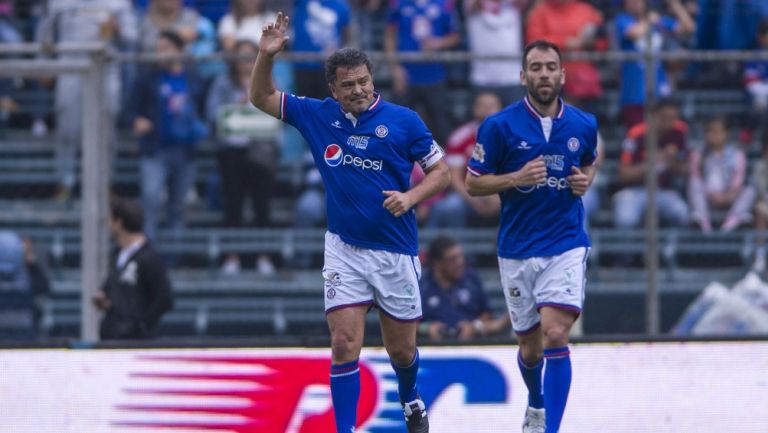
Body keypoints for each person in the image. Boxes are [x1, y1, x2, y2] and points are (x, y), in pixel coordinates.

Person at [249, 13, 450, 433]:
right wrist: (265, 57)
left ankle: (410, 397)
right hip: (344, 248)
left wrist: (411, 196)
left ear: (372, 79)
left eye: (363, 80)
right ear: (333, 89)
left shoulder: (404, 121)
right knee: (343, 344)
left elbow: (443, 173)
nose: (358, 89)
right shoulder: (317, 115)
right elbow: (261, 97)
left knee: (402, 351)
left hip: (395, 251)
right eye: (348, 84)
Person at [466, 40, 599, 433]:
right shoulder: (498, 126)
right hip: (517, 248)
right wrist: (515, 178)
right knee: (530, 347)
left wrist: (584, 180)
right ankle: (536, 403)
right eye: (536, 67)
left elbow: (589, 160)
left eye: (550, 67)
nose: (544, 74)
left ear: (562, 74)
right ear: (523, 76)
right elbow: (473, 185)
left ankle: (550, 428)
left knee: (555, 333)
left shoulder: (583, 124)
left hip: (565, 241)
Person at [36, 0, 138, 201]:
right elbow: (45, 34)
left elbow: (132, 36)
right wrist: (44, 64)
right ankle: (64, 182)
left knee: (106, 132)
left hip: (106, 69)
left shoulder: (119, 3)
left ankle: (104, 184)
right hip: (70, 67)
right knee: (68, 130)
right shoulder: (59, 3)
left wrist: (117, 29)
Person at [206, 39, 279, 276]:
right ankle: (232, 256)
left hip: (261, 152)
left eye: (250, 58)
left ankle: (263, 256)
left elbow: (279, 115)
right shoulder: (222, 84)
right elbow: (213, 114)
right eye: (241, 57)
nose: (245, 63)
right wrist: (237, 106)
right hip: (231, 152)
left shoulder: (270, 83)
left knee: (262, 207)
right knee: (233, 206)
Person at [131, 30, 208, 242]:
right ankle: (148, 251)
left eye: (166, 48)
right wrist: (137, 120)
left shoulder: (194, 79)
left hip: (186, 151)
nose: (160, 53)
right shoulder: (146, 79)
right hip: (155, 149)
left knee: (178, 206)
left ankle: (175, 255)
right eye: (158, 49)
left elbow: (203, 109)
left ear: (179, 50)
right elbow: (130, 110)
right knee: (151, 199)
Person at [93, 198, 174, 339]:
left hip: (134, 342)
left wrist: (141, 325)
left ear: (119, 223)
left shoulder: (149, 258)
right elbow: (114, 289)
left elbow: (165, 298)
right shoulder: (117, 254)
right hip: (111, 338)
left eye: (111, 220)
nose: (108, 225)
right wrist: (104, 298)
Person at [419, 91, 501, 228]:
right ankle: (456, 247)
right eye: (482, 105)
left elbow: (514, 172)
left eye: (492, 105)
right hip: (469, 192)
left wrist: (499, 195)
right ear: (474, 108)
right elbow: (454, 177)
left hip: (501, 191)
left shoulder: (511, 136)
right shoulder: (461, 137)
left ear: (500, 109)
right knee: (450, 207)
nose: (487, 109)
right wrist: (474, 201)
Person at [384, 0, 460, 145]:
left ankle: (446, 164)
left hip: (435, 75)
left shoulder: (444, 3)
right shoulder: (398, 3)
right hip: (406, 75)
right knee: (398, 126)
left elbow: (455, 36)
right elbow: (390, 36)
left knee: (441, 126)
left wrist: (439, 43)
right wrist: (395, 68)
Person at [615, 0, 695, 128]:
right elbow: (634, 33)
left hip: (660, 90)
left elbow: (688, 27)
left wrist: (675, 4)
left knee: (664, 134)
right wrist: (649, 21)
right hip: (635, 91)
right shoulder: (622, 20)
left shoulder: (657, 20)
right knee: (639, 134)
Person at [613, 97, 690, 229]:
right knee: (625, 219)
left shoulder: (680, 131)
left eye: (673, 118)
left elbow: (686, 169)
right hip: (635, 190)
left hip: (664, 190)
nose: (668, 122)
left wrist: (671, 162)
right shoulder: (636, 134)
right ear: (654, 116)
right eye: (664, 117)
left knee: (681, 213)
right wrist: (651, 163)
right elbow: (623, 174)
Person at [419, 235, 509, 341]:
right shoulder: (422, 284)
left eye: (461, 257)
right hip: (429, 346)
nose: (460, 262)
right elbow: (409, 321)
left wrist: (474, 327)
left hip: (471, 344)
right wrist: (426, 329)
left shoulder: (471, 279)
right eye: (452, 259)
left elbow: (487, 314)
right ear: (437, 263)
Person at [526, 0, 604, 107]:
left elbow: (602, 42)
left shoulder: (586, 10)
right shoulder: (540, 12)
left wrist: (592, 43)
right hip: (549, 76)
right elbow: (533, 41)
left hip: (582, 78)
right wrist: (564, 42)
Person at [688, 116, 755, 233]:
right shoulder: (698, 154)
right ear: (706, 133)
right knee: (694, 184)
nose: (714, 135)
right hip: (706, 197)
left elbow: (738, 180)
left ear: (726, 133)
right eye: (711, 131)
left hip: (730, 197)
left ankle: (731, 224)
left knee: (749, 191)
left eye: (718, 131)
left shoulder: (737, 155)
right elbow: (697, 177)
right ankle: (703, 223)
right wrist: (711, 195)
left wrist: (727, 196)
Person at [464, 0, 528, 106]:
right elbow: (471, 6)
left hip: (512, 77)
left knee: (516, 120)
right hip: (483, 78)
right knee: (486, 121)